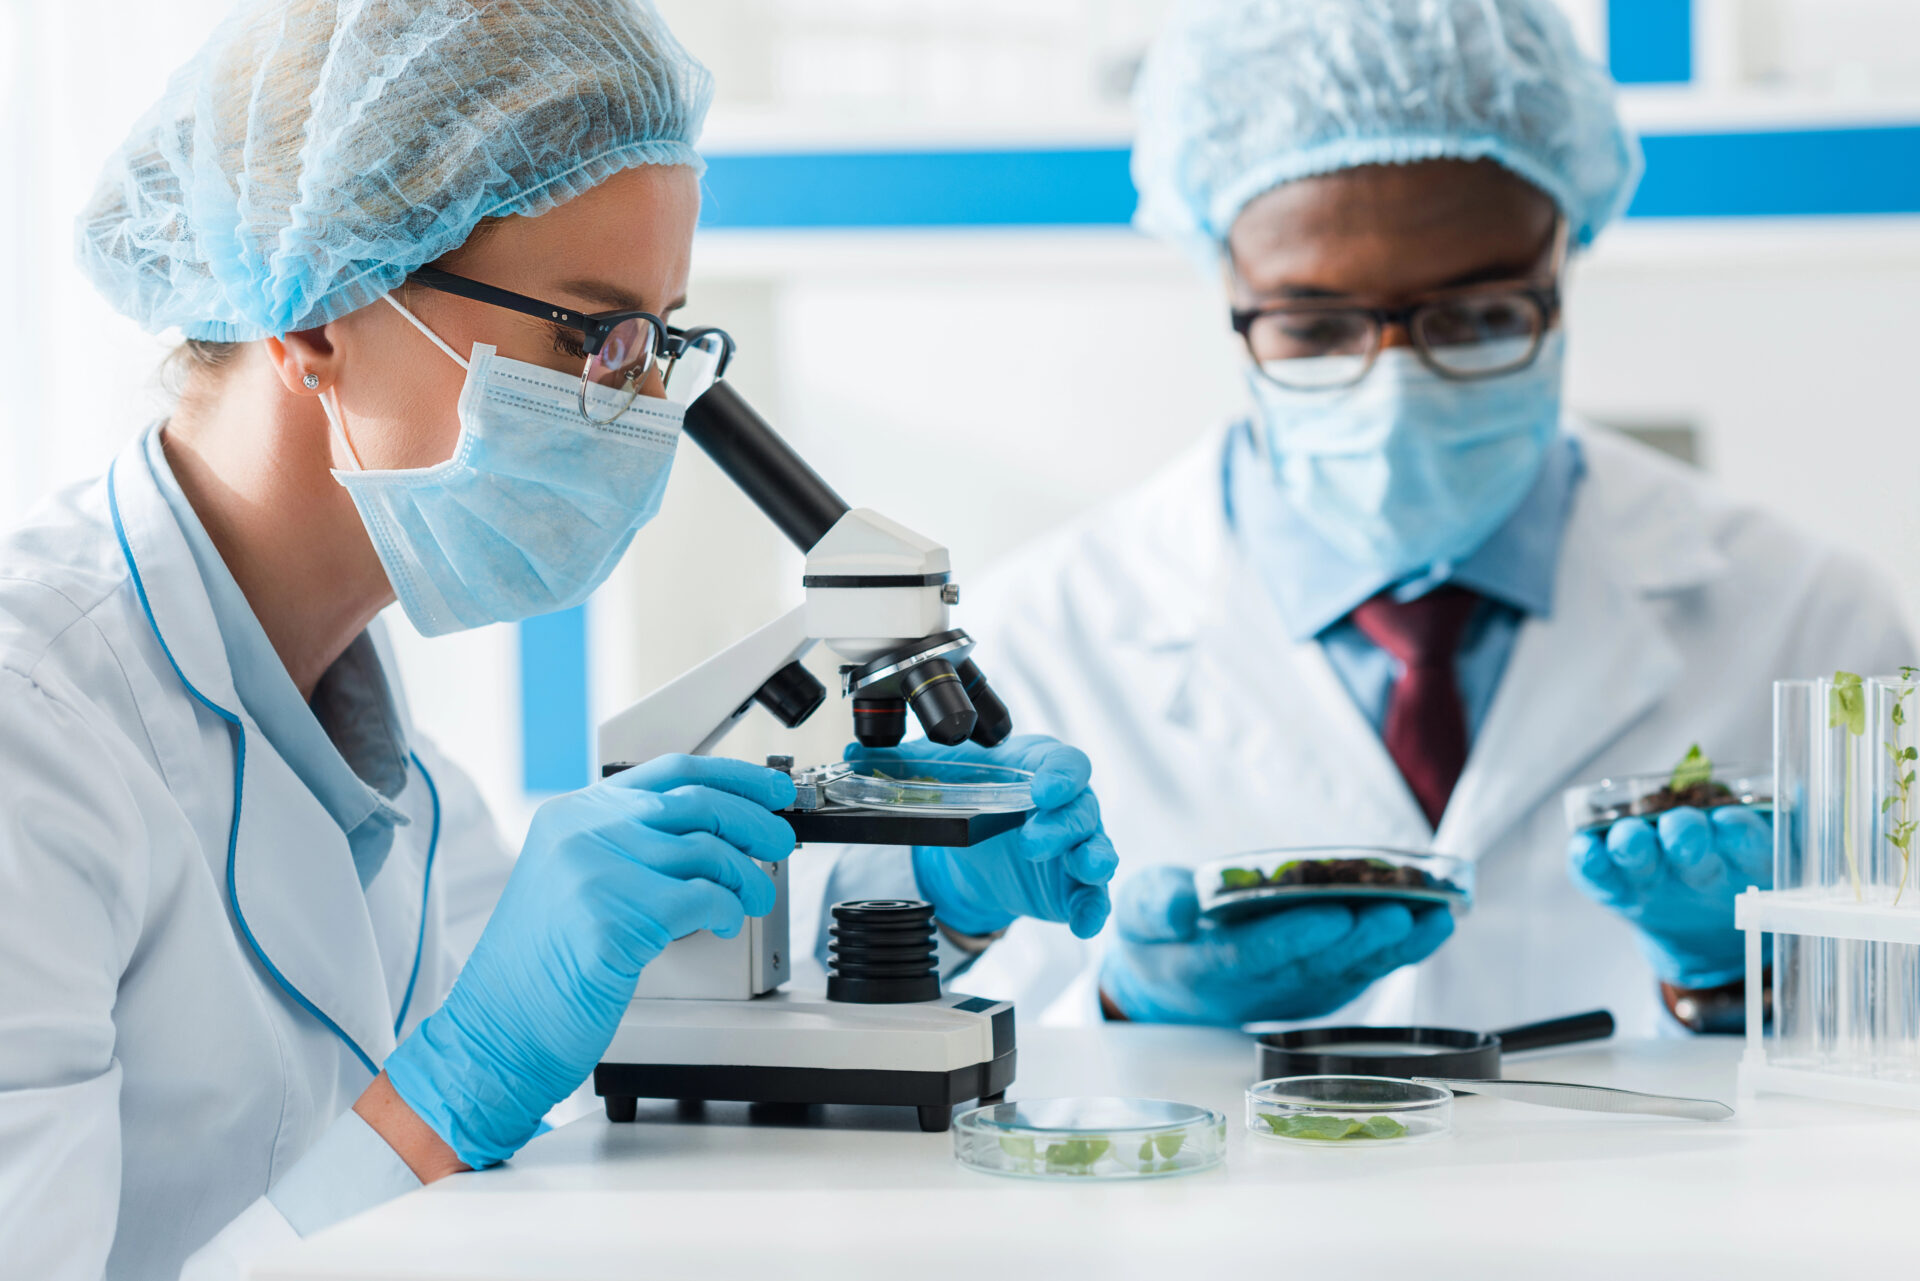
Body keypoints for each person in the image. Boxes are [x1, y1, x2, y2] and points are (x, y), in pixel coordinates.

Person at [0, 4, 1116, 1278]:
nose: (639, 409)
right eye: (592, 337)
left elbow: (601, 1127)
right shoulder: (30, 734)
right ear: (317, 315)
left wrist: (920, 925)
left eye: (660, 343)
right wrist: (446, 1097)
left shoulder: (398, 780)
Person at [956, 0, 1911, 1033]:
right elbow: (943, 1091)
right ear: (1223, 277)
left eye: (1480, 316)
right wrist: (1130, 1011)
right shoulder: (1035, 638)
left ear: (1566, 257)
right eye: (1314, 324)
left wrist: (1738, 978)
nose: (1398, 385)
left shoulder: (1812, 620)